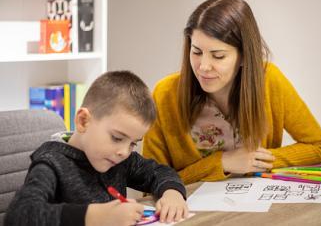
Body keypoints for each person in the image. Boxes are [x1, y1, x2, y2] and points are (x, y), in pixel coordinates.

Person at [142, 0, 321, 185]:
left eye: (218, 56)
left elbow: (318, 146)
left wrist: (255, 161)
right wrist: (222, 162)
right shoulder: (164, 94)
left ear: (244, 56)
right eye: (196, 51)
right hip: (193, 213)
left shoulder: (269, 79)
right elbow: (149, 183)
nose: (203, 66)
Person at [5, 71, 188, 226]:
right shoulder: (51, 164)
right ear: (83, 121)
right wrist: (95, 217)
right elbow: (19, 215)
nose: (124, 151)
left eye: (133, 143)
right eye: (117, 138)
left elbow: (159, 171)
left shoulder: (120, 159)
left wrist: (173, 193)